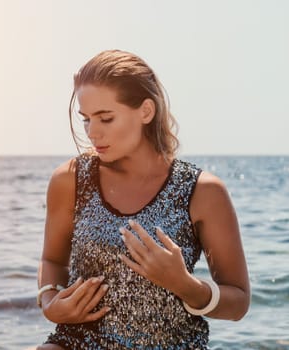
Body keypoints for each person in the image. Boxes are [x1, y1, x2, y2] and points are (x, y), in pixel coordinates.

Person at [35, 50, 250, 349]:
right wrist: (49, 301)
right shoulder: (71, 179)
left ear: (146, 112)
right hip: (77, 341)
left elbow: (238, 302)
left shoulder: (202, 191)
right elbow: (52, 260)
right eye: (86, 119)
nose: (92, 133)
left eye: (106, 118)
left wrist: (184, 285)